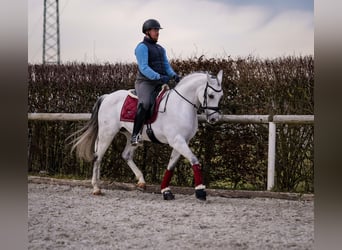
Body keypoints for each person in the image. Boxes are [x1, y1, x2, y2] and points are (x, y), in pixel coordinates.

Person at [131, 19, 180, 146]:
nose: (158, 32)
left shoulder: (160, 48)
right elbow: (144, 68)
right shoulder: (141, 47)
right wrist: (158, 76)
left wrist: (174, 75)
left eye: (158, 30)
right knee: (146, 102)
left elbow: (166, 65)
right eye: (155, 30)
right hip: (145, 83)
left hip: (158, 82)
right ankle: (135, 135)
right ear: (147, 32)